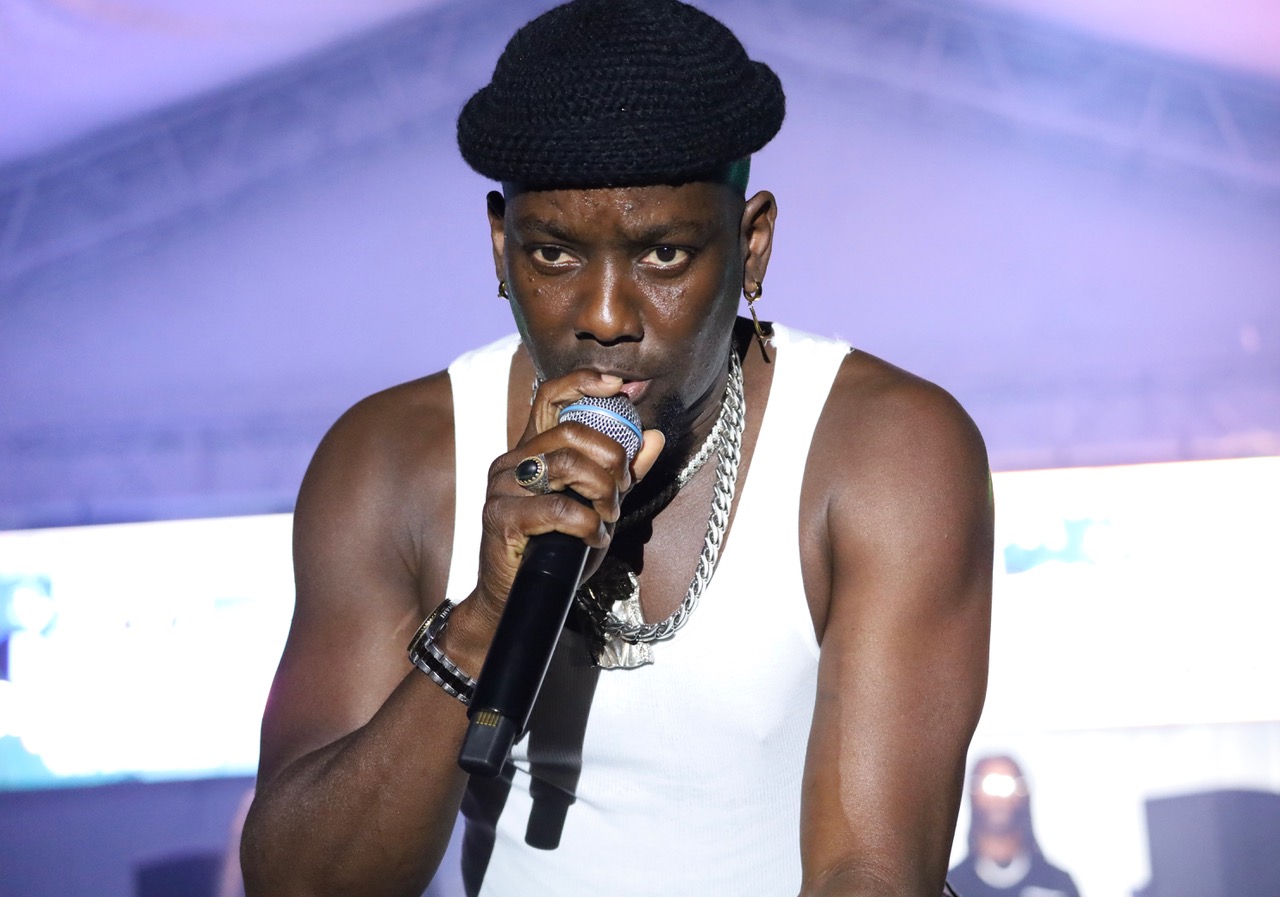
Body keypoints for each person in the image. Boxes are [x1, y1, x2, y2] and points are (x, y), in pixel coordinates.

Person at [239, 1, 994, 895]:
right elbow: (300, 882)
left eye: (663, 255)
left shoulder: (885, 451)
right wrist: (483, 618)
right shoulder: (393, 464)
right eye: (554, 255)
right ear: (500, 245)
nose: (604, 317)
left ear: (751, 244)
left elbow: (867, 871)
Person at [947, 755, 1081, 897]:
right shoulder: (950, 887)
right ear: (973, 794)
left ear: (1023, 793)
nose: (998, 797)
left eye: (1007, 784)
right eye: (989, 785)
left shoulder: (1057, 885)